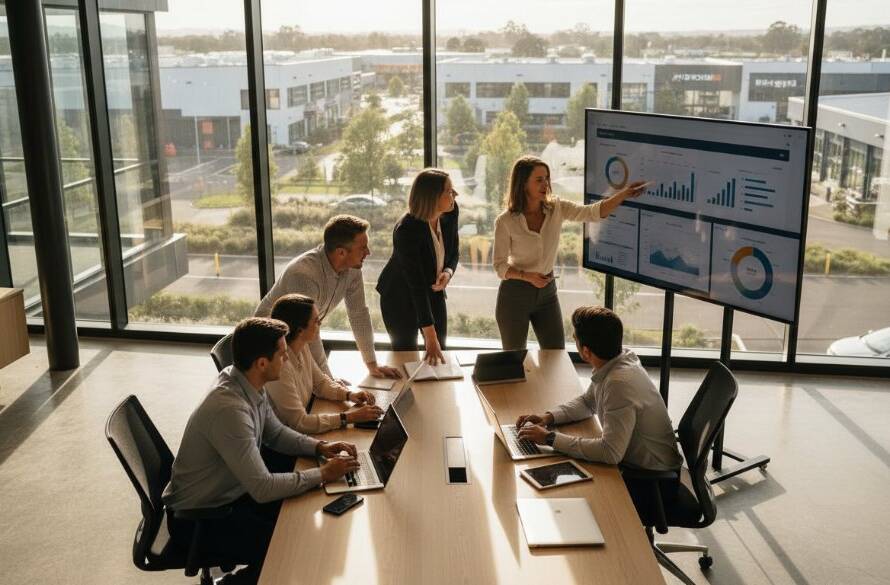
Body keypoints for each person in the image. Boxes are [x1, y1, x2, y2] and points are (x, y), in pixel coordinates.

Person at [163, 317, 360, 585]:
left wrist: (319, 446)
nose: (288, 360)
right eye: (282, 355)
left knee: (303, 517)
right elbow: (263, 488)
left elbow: (275, 433)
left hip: (230, 493)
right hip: (202, 518)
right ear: (262, 363)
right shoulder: (230, 410)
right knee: (290, 546)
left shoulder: (247, 381)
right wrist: (323, 474)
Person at [515, 306, 683, 515]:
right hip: (645, 466)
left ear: (586, 351)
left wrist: (550, 439)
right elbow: (588, 402)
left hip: (651, 483)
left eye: (575, 338)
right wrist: (548, 417)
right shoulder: (620, 359)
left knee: (562, 496)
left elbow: (610, 452)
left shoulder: (618, 383)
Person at [492, 155, 647, 350]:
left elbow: (591, 212)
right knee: (514, 359)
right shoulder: (506, 221)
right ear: (523, 184)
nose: (546, 184)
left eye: (547, 178)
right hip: (515, 295)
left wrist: (623, 194)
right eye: (539, 179)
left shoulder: (556, 207)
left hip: (547, 293)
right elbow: (499, 266)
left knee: (556, 353)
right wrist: (527, 276)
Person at [255, 214, 400, 381]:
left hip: (293, 340)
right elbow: (311, 334)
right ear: (341, 253)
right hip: (266, 347)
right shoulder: (304, 275)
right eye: (363, 248)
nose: (368, 252)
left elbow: (358, 313)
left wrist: (372, 365)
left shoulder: (353, 269)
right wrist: (329, 381)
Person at [267, 293, 384, 433]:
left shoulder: (302, 346)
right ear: (300, 330)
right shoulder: (279, 366)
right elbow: (299, 422)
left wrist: (349, 395)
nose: (320, 324)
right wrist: (349, 417)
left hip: (299, 433)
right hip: (286, 443)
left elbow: (320, 383)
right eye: (316, 321)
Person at [376, 168, 459, 364]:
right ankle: (406, 393)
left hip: (433, 290)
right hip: (399, 297)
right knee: (406, 357)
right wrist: (429, 336)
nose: (454, 194)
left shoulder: (450, 212)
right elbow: (416, 285)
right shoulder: (406, 229)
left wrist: (447, 272)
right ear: (432, 196)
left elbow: (454, 252)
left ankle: (436, 394)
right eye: (449, 190)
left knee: (440, 352)